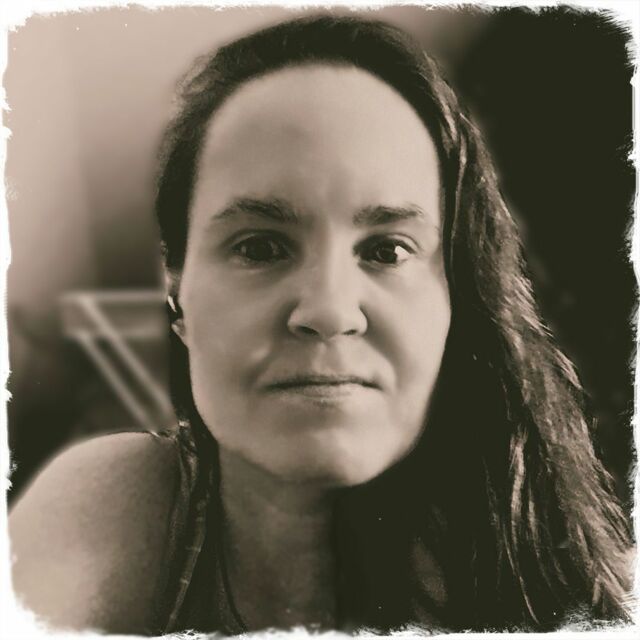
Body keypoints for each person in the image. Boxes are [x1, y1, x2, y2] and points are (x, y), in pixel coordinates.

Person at [9, 14, 633, 635]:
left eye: (386, 250)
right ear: (177, 293)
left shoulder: (570, 592)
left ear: (456, 300)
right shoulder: (112, 512)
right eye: (260, 248)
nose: (329, 311)